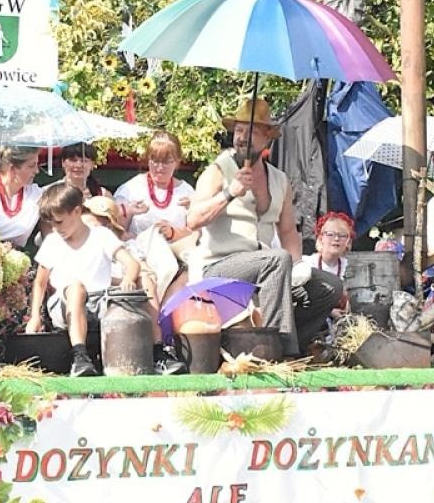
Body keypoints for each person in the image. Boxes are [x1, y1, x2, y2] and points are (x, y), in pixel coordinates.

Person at [185, 98, 342, 356]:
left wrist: (298, 265)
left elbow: (288, 232)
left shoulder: (280, 179)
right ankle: (282, 352)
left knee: (329, 286)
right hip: (218, 265)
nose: (242, 138)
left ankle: (288, 340)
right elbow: (192, 220)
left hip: (266, 267)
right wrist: (230, 193)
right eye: (238, 130)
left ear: (267, 137)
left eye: (251, 131)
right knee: (277, 259)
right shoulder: (218, 170)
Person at [28, 183, 140, 377]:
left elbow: (131, 263)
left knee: (141, 287)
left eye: (59, 222)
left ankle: (152, 352)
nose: (56, 228)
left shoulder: (101, 235)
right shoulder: (53, 241)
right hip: (65, 303)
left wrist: (128, 279)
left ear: (77, 211)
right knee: (76, 288)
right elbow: (40, 282)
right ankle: (80, 355)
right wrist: (35, 316)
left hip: (100, 301)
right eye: (52, 224)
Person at [114, 131, 195, 242]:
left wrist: (173, 233)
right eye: (155, 161)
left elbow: (196, 233)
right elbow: (115, 233)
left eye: (166, 162)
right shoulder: (130, 189)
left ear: (177, 162)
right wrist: (128, 213)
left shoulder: (187, 192)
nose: (160, 167)